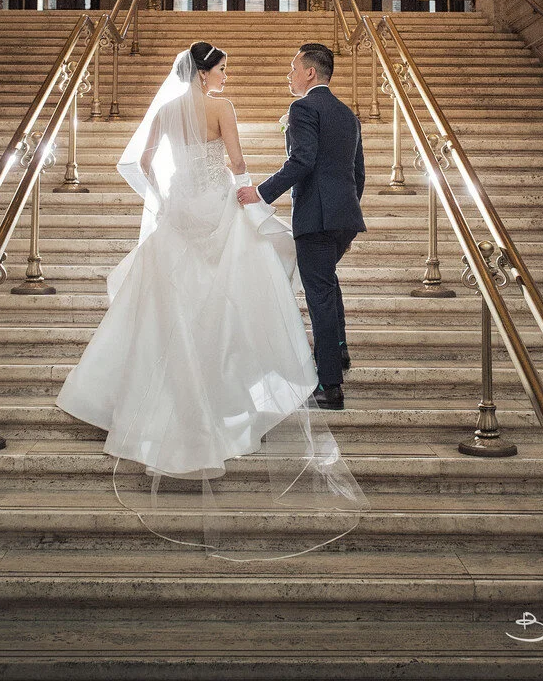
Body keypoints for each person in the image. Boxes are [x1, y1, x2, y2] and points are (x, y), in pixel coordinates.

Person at [56, 41, 365, 557]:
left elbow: (142, 162)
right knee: (248, 289)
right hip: (250, 208)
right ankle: (307, 370)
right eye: (222, 68)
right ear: (205, 74)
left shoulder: (168, 109)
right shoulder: (232, 109)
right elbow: (242, 164)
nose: (226, 76)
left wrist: (164, 198)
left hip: (179, 210)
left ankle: (317, 366)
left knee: (171, 301)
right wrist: (250, 197)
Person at [237, 43, 365, 411]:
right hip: (343, 218)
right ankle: (338, 353)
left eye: (293, 67)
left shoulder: (303, 107)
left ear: (309, 72)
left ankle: (330, 385)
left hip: (317, 217)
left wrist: (259, 193)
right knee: (328, 284)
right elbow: (358, 173)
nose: (288, 74)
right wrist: (347, 218)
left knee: (319, 295)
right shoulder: (347, 114)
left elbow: (302, 161)